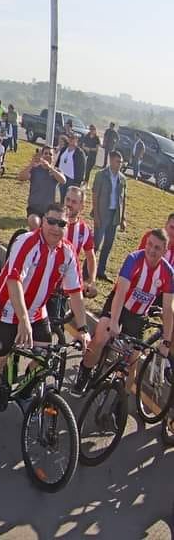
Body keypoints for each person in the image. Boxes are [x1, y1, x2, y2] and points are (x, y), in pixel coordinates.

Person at [0, 203, 89, 436]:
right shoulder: (27, 242)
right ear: (42, 221)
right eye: (51, 221)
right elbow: (14, 281)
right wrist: (22, 319)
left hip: (36, 311)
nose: (55, 227)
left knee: (43, 360)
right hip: (9, 309)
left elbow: (75, 293)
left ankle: (23, 393)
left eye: (61, 223)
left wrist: (83, 328)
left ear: (67, 225)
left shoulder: (67, 252)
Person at [72, 230, 174, 396]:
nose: (152, 250)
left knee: (133, 360)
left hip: (138, 314)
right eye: (149, 244)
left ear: (165, 251)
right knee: (101, 336)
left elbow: (168, 309)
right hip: (119, 304)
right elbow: (120, 293)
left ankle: (121, 402)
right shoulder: (134, 259)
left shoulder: (168, 273)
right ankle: (84, 374)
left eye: (157, 248)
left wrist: (167, 341)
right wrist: (113, 322)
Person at [91, 150, 128, 281]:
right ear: (111, 160)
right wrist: (96, 215)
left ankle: (101, 271)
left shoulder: (122, 179)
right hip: (102, 212)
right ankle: (88, 270)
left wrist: (123, 218)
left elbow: (124, 199)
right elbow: (95, 195)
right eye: (118, 161)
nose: (120, 164)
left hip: (114, 215)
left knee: (108, 244)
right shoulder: (101, 175)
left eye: (121, 162)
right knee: (95, 244)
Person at [18, 145, 65, 230]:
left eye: (50, 154)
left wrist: (51, 168)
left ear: (53, 158)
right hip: (34, 208)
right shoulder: (35, 169)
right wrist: (31, 165)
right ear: (41, 156)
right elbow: (21, 177)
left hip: (49, 211)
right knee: (34, 222)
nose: (48, 156)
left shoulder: (55, 171)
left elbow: (63, 181)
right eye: (45, 153)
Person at [54, 133, 86, 201]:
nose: (71, 140)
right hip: (60, 176)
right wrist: (55, 170)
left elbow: (81, 169)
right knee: (59, 197)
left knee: (68, 198)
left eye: (73, 138)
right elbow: (58, 162)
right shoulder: (64, 149)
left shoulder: (79, 153)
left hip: (71, 180)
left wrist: (78, 183)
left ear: (77, 140)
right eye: (70, 138)